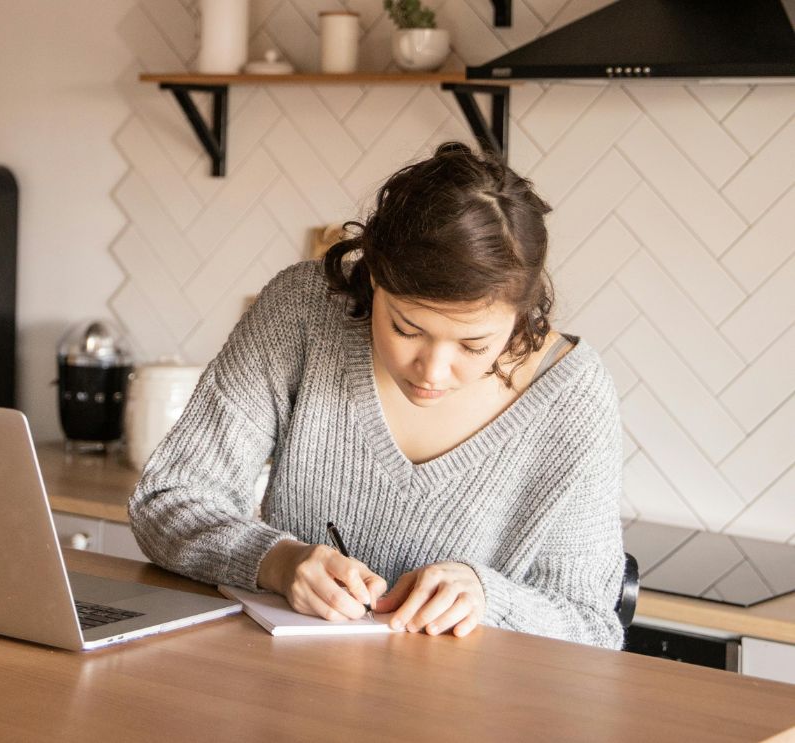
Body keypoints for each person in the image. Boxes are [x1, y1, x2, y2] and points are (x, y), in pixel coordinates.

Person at [127, 142, 625, 650]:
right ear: (372, 276)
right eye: (406, 329)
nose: (432, 370)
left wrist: (488, 598)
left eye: (474, 345)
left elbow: (593, 627)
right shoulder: (304, 312)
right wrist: (277, 562)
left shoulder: (573, 394)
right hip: (281, 695)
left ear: (521, 313)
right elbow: (167, 501)